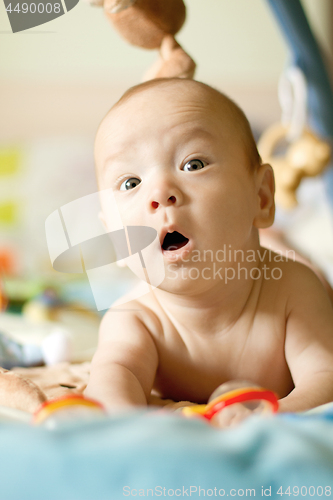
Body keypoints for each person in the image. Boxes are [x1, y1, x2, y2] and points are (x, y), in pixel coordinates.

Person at [85, 78, 333, 426]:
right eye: (131, 183)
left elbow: (325, 382)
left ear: (261, 198)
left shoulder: (294, 290)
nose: (159, 193)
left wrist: (267, 420)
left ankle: (279, 238)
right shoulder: (135, 319)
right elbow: (110, 393)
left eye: (193, 164)